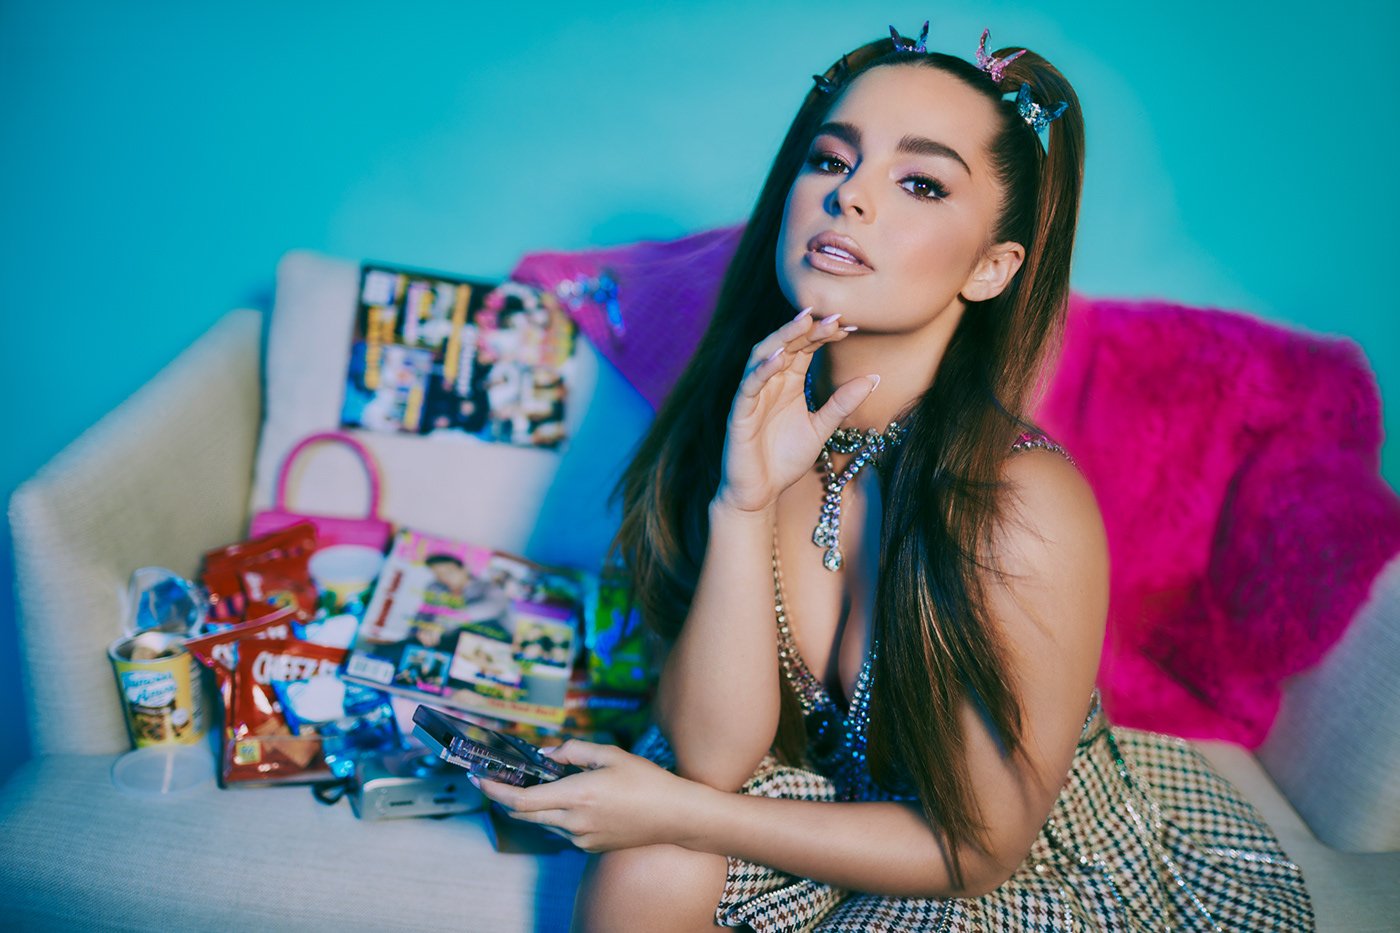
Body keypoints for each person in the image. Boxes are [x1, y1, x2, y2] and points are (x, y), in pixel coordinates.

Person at [473, 23, 1315, 931]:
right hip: (830, 803)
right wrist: (743, 501)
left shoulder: (1021, 504)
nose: (849, 196)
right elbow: (712, 759)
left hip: (1005, 863)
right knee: (645, 868)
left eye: (921, 182)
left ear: (990, 268)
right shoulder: (764, 421)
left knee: (669, 831)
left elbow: (975, 849)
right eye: (831, 161)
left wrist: (682, 812)